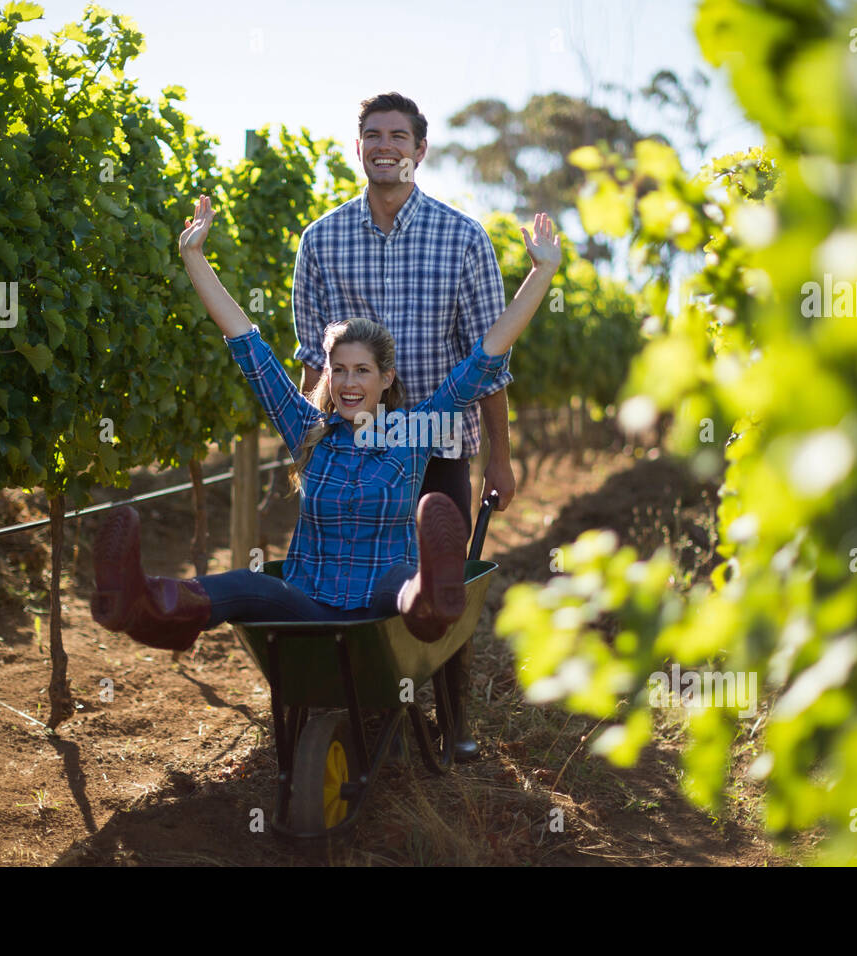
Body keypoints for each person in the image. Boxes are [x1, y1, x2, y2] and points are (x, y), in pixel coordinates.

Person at [89, 195, 560, 655]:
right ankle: (142, 605)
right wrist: (193, 256)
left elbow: (486, 355)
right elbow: (246, 342)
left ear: (386, 378)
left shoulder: (415, 431)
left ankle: (432, 596)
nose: (349, 383)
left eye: (362, 371)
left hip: (383, 606)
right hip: (308, 600)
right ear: (328, 374)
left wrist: (541, 274)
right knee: (243, 586)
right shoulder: (306, 429)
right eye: (339, 370)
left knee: (401, 583)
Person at [292, 92, 515, 758]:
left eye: (398, 135)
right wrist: (306, 449)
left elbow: (492, 365)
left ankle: (454, 718)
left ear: (421, 150)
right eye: (372, 134)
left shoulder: (464, 239)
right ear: (357, 147)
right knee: (343, 577)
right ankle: (353, 699)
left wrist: (499, 459)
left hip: (436, 446)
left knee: (440, 585)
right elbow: (312, 361)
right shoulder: (321, 240)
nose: (384, 145)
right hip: (350, 449)